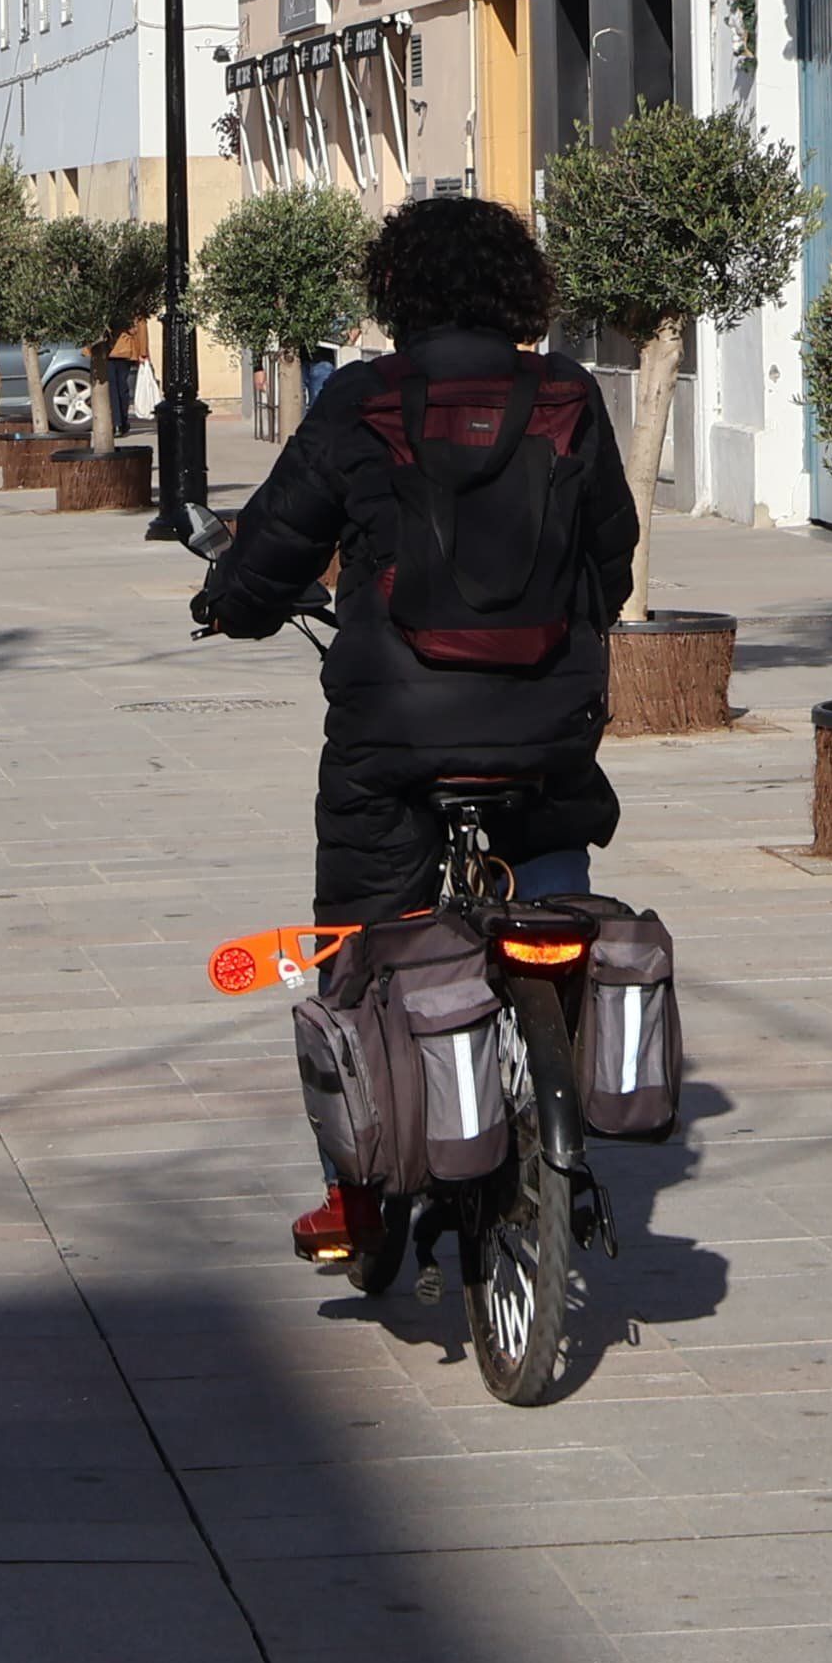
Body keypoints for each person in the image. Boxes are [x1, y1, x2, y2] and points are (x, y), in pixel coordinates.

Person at [190, 196, 641, 1258]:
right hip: (544, 724)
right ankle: (555, 1070)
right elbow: (610, 555)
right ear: (518, 290)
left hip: (391, 734)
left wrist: (232, 604)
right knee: (554, 890)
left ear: (394, 290)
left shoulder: (363, 399)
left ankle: (353, 1197)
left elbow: (276, 545)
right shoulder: (567, 395)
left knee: (351, 944)